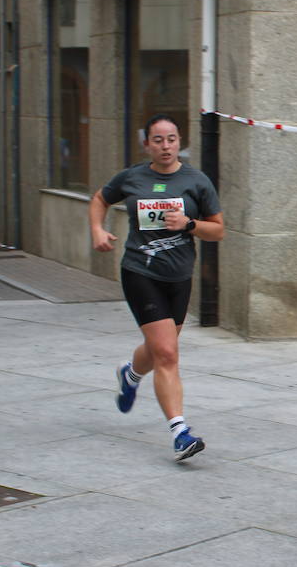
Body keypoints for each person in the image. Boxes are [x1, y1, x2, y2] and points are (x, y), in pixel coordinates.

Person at [89, 115, 224, 463]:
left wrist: (190, 224)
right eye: (158, 140)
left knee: (159, 349)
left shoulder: (196, 181)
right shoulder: (133, 177)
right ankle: (180, 432)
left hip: (179, 277)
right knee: (167, 353)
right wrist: (98, 231)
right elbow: (99, 199)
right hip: (139, 272)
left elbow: (218, 231)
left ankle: (130, 374)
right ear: (147, 144)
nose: (165, 146)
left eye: (172, 139)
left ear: (180, 142)